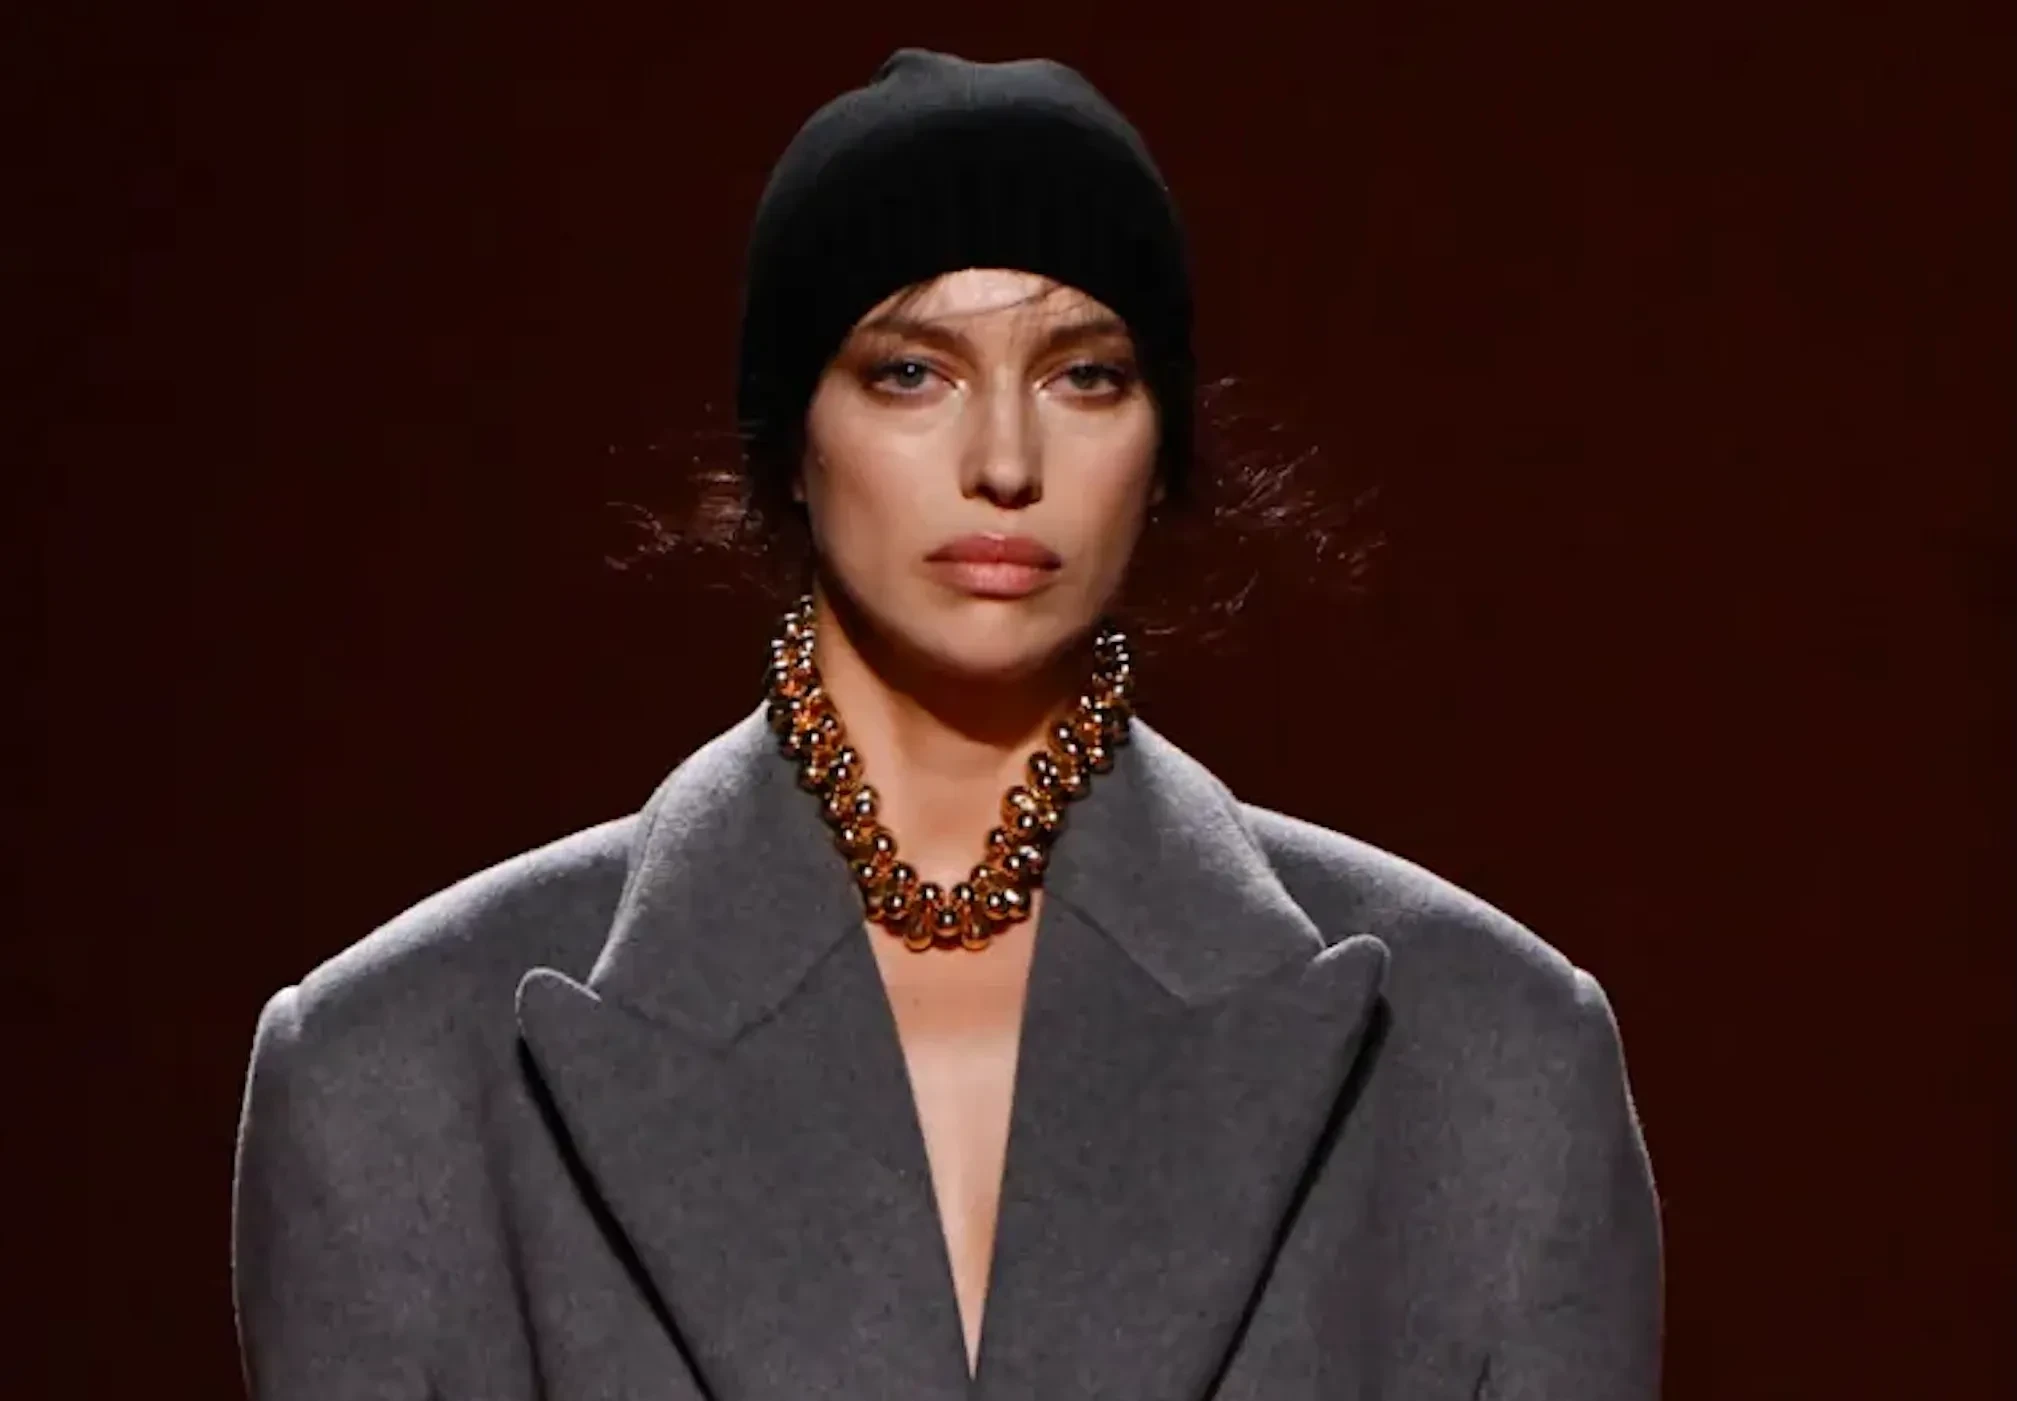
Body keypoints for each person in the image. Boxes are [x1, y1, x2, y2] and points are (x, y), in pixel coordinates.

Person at [231, 47, 1663, 1401]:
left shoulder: (1494, 1060)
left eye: (1085, 374)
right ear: (791, 438)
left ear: (1163, 446)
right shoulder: (392, 1080)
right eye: (910, 371)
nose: (1005, 461)